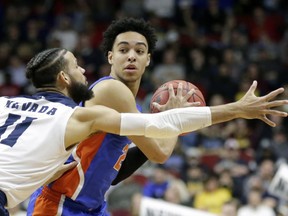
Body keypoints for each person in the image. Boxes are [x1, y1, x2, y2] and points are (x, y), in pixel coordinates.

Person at [25, 18, 288, 216]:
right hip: (59, 203)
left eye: (139, 51)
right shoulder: (111, 90)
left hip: (90, 206)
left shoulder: (129, 104)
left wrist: (172, 123)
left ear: (148, 60)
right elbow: (161, 153)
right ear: (110, 56)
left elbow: (116, 172)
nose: (131, 56)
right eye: (123, 49)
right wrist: (234, 110)